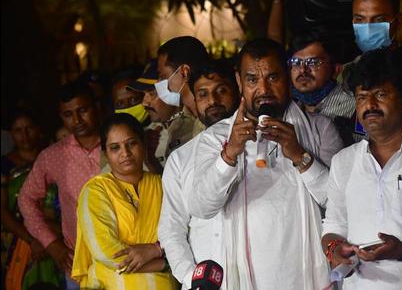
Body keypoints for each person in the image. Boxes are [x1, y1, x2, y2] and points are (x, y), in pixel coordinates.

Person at [182, 38, 343, 289]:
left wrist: (300, 155)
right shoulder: (216, 139)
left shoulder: (320, 129)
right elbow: (201, 206)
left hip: (305, 279)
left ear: (287, 77)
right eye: (252, 80)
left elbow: (338, 203)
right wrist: (229, 154)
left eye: (273, 78)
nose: (263, 89)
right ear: (239, 82)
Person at [322, 48, 402, 289]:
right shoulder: (344, 162)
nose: (369, 105)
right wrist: (334, 250)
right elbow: (334, 226)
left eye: (380, 94)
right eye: (362, 97)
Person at [72, 113, 177, 289]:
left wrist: (155, 249)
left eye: (131, 143)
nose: (125, 153)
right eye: (115, 148)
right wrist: (164, 264)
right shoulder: (96, 190)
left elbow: (184, 233)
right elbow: (106, 252)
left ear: (142, 144)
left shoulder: (163, 184)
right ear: (105, 153)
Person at [159, 59, 239, 288]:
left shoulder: (260, 146)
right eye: (202, 94)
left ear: (237, 88)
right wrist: (190, 277)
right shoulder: (181, 158)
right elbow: (172, 228)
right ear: (194, 100)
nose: (212, 101)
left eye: (221, 91)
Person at [18, 82, 102, 289]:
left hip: (128, 257)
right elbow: (26, 199)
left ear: (97, 107)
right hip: (78, 263)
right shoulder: (53, 156)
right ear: (60, 116)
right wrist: (52, 244)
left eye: (83, 110)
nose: (77, 120)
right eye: (68, 114)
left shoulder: (120, 142)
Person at [1, 109, 63, 289]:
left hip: (56, 237)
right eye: (18, 130)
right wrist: (32, 240)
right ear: (11, 133)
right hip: (18, 240)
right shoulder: (4, 165)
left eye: (29, 128)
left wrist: (48, 238)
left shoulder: (52, 159)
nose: (24, 135)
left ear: (39, 129)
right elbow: (2, 211)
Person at [288, 30, 358, 145]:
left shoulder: (355, 107)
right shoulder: (289, 109)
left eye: (313, 62)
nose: (302, 70)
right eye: (296, 62)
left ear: (336, 70)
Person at [127, 59, 188, 173]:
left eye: (151, 93)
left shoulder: (195, 130)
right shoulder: (147, 135)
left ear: (173, 91)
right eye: (143, 94)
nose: (144, 103)